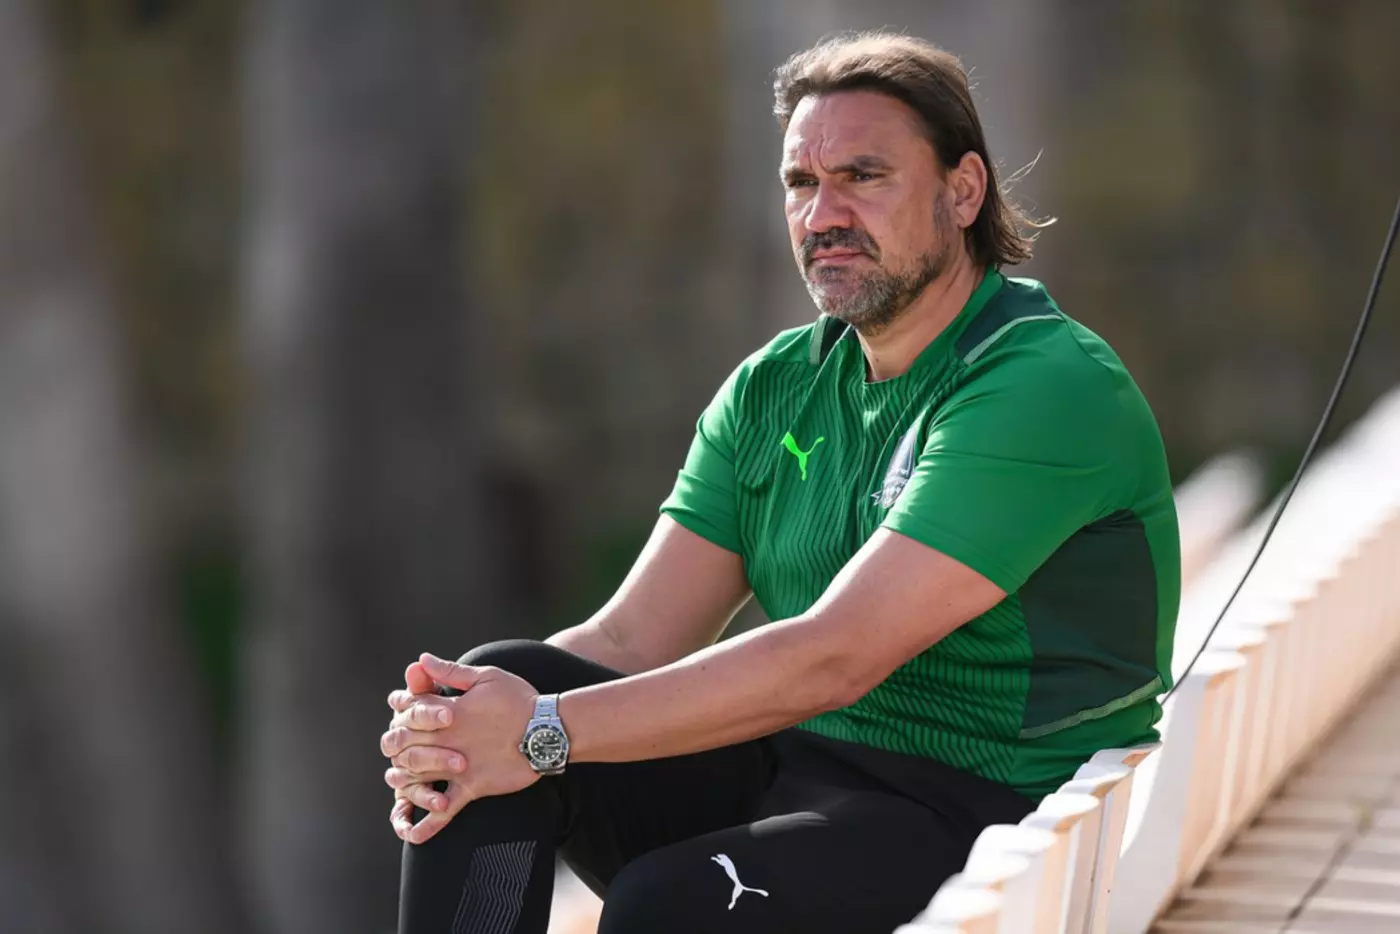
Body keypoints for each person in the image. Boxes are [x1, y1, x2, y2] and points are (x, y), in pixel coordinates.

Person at [381, 31, 1180, 934]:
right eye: (802, 183)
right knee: (492, 691)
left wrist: (541, 731)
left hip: (997, 822)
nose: (823, 214)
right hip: (802, 770)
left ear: (963, 192)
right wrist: (470, 728)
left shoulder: (1040, 384)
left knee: (664, 906)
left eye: (863, 177)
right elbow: (631, 639)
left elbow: (837, 656)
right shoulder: (776, 386)